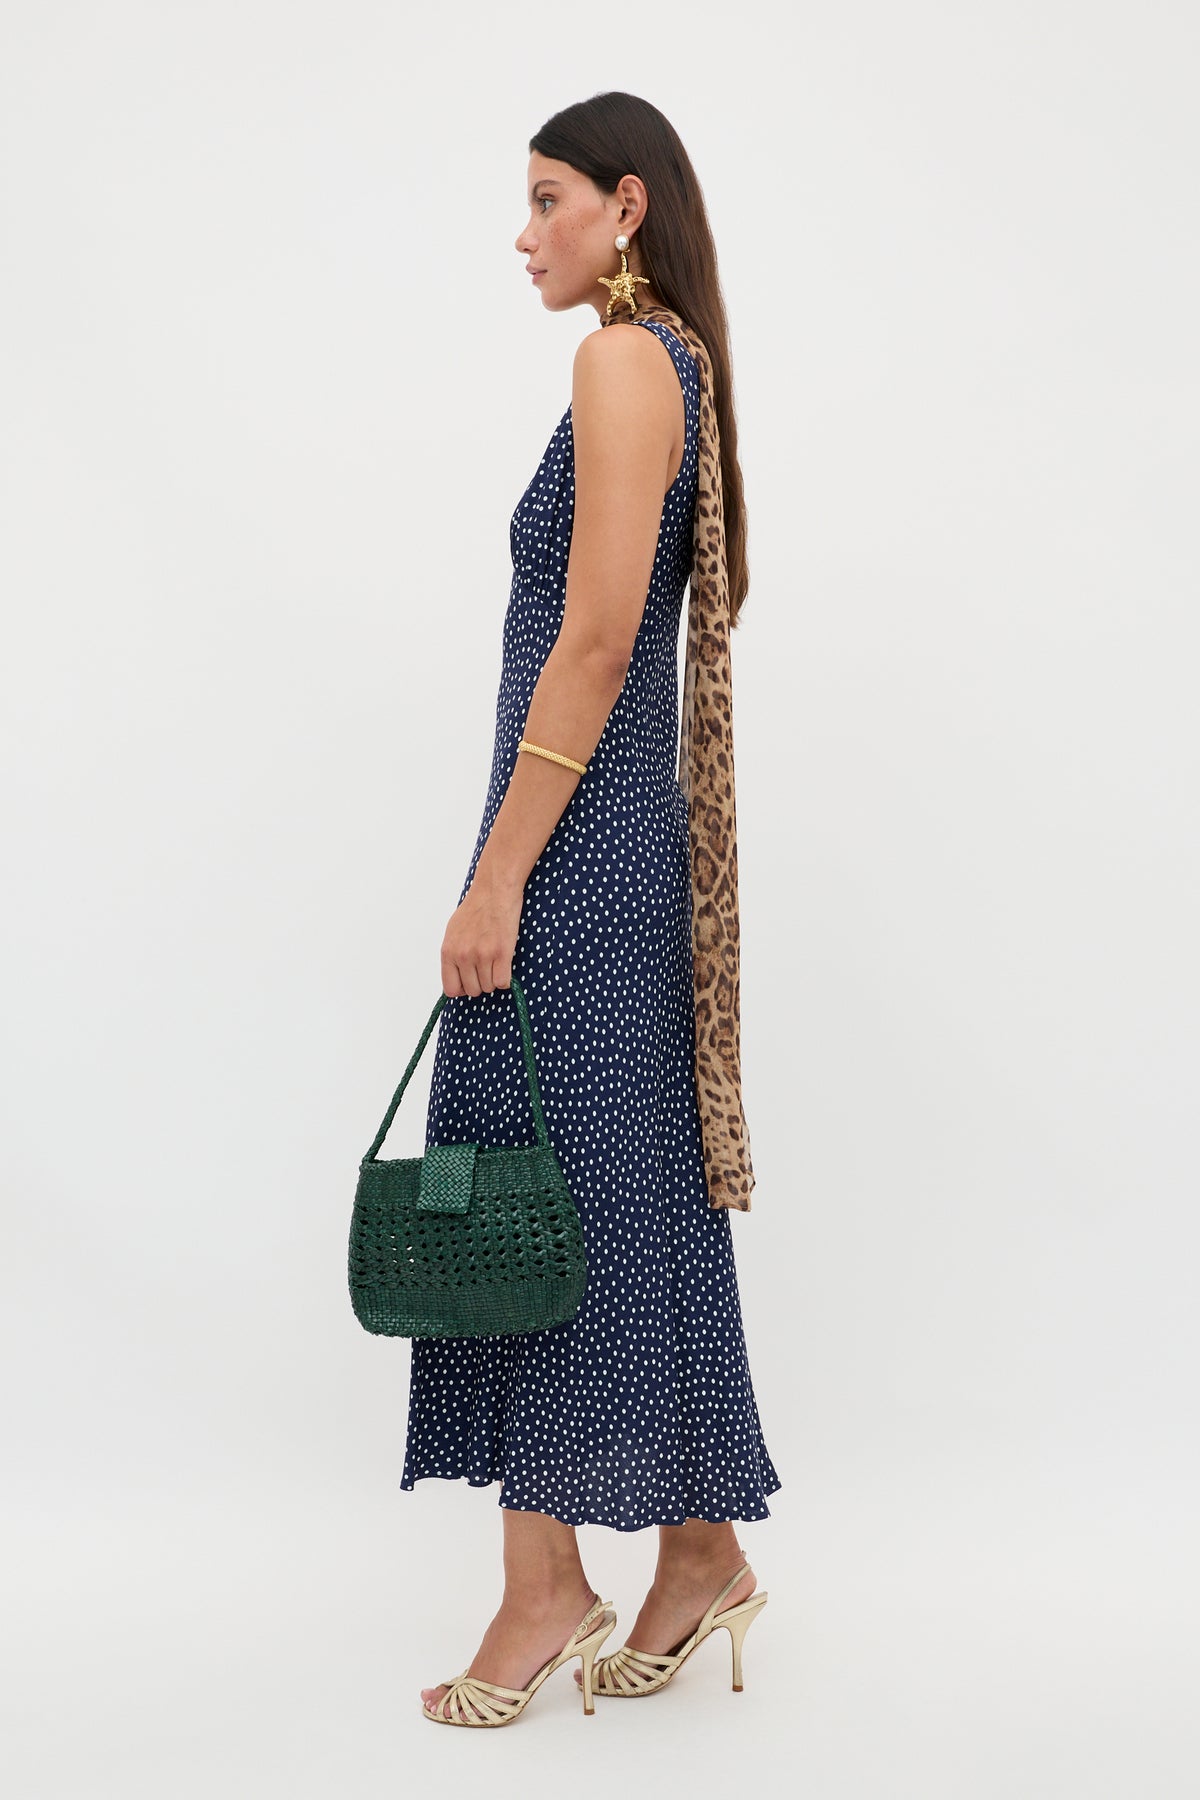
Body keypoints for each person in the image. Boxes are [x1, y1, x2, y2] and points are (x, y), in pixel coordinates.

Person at [412, 92, 782, 1727]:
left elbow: (600, 639)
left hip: (579, 853)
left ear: (627, 206)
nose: (527, 231)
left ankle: (543, 1585)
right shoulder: (676, 362)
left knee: (530, 1184)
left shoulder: (625, 363)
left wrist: (497, 871)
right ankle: (692, 1549)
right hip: (618, 839)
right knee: (610, 1188)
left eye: (550, 198)